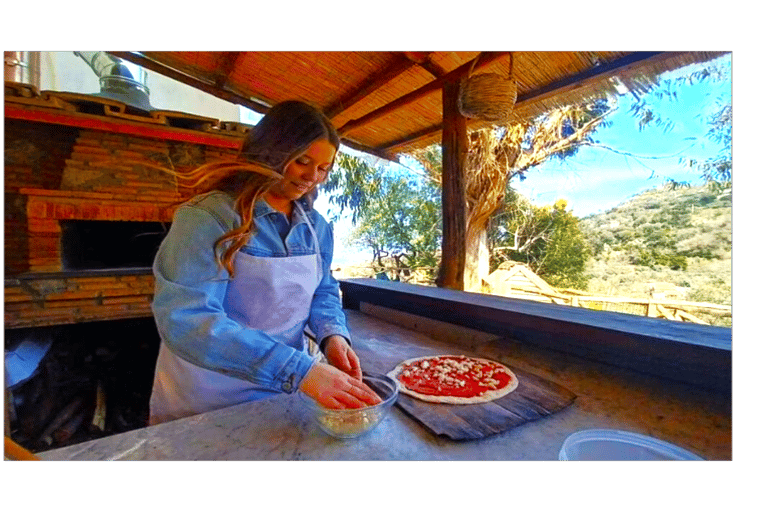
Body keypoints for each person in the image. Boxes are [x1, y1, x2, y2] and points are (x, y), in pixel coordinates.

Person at [148, 101, 381, 425]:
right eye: (302, 161)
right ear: (271, 151)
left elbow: (322, 290)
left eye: (324, 168)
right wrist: (299, 370)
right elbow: (187, 320)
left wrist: (333, 336)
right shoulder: (210, 217)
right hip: (205, 395)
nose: (312, 176)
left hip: (283, 391)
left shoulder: (316, 228)